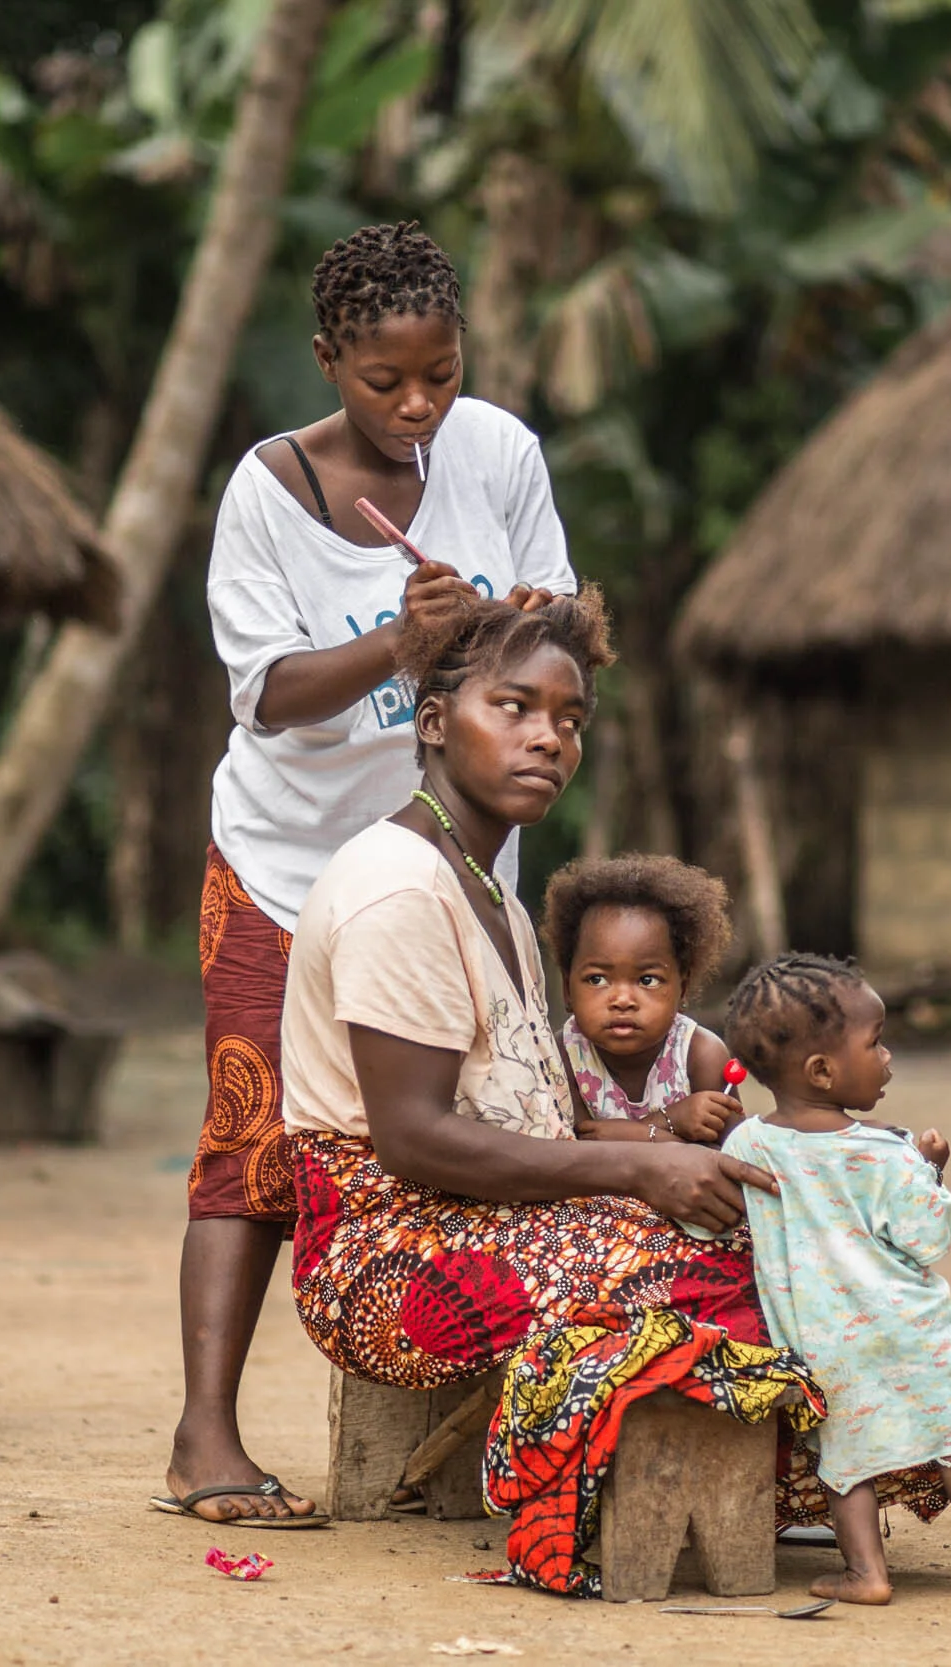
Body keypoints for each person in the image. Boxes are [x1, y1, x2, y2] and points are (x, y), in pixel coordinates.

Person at [279, 583, 951, 1592]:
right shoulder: (399, 888)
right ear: (429, 721)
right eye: (513, 707)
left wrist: (666, 1157)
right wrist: (640, 1166)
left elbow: (518, 1111)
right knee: (772, 1279)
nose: (548, 737)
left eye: (570, 717)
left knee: (797, 1238)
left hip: (481, 1215)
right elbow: (411, 1140)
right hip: (389, 1259)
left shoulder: (485, 885)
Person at [157, 221, 575, 1529]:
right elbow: (270, 694)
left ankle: (487, 1419)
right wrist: (403, 640)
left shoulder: (497, 451)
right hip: (285, 867)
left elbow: (558, 637)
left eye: (441, 374)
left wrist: (492, 615)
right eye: (384, 380)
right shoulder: (266, 493)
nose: (416, 407)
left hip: (443, 867)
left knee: (471, 1115)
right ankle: (205, 1435)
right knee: (254, 1139)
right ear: (329, 358)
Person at [722, 953, 951, 1604]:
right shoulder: (885, 1150)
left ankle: (867, 1574)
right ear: (822, 1069)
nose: (889, 1055)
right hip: (912, 1333)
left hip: (820, 1342)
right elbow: (927, 1237)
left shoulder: (747, 1146)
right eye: (875, 1042)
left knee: (846, 1459)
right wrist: (930, 1168)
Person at [542, 854, 742, 1145]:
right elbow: (580, 1153)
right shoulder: (562, 1058)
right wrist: (666, 1125)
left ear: (682, 989)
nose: (622, 999)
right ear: (567, 990)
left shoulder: (701, 1057)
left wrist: (633, 1133)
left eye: (647, 980)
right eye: (597, 979)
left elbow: (737, 1160)